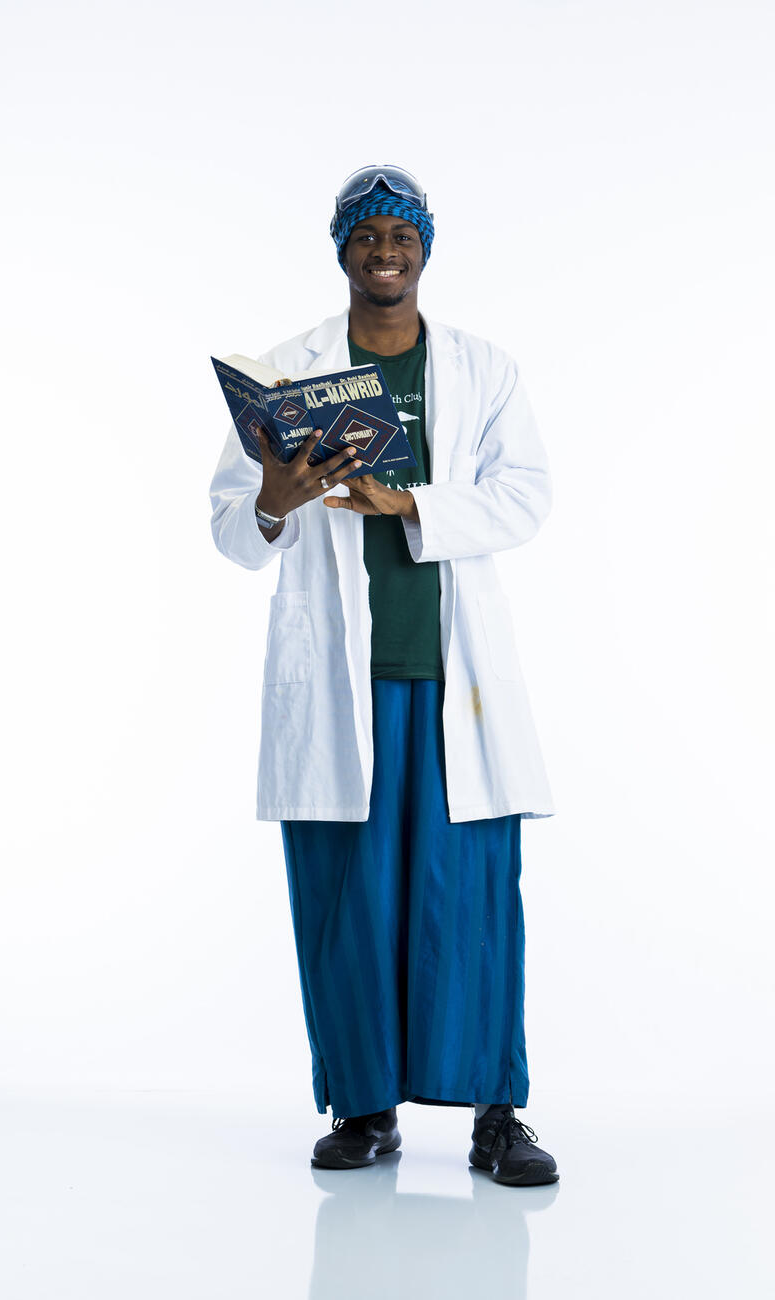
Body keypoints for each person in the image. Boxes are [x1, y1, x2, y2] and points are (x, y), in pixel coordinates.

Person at [208, 165, 559, 1186]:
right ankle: (363, 1108)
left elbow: (529, 497)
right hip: (340, 692)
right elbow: (234, 530)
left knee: (473, 894)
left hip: (454, 680)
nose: (384, 249)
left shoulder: (483, 369)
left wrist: (409, 505)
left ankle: (500, 1112)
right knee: (346, 896)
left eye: (401, 233)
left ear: (426, 249)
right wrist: (275, 498)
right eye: (366, 234)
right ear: (342, 250)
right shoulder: (290, 372)